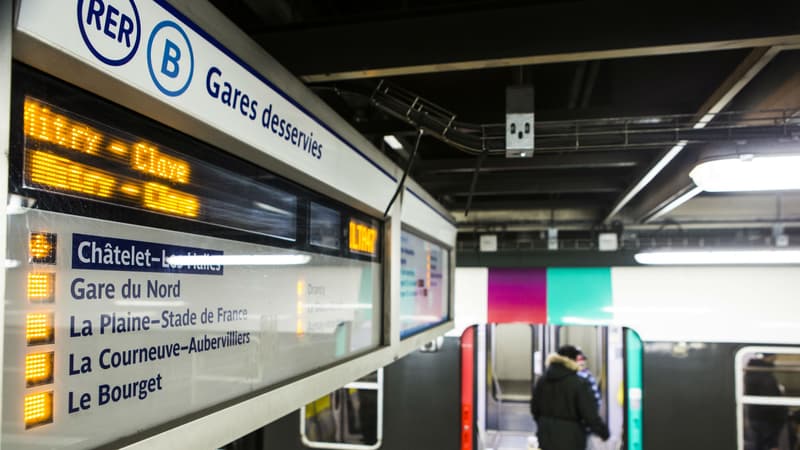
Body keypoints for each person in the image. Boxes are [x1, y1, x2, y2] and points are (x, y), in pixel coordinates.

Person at [531, 345, 609, 450]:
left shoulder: (542, 381)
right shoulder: (579, 383)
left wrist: (545, 424)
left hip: (546, 435)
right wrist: (603, 432)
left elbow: (534, 409)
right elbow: (589, 414)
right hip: (571, 437)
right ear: (572, 361)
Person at [744, 353, 787, 450]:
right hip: (767, 419)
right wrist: (782, 415)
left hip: (757, 416)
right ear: (770, 357)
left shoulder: (753, 371)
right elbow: (771, 401)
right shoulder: (764, 374)